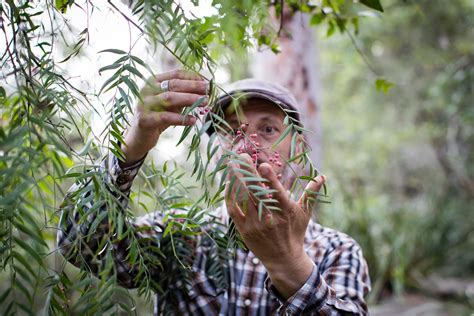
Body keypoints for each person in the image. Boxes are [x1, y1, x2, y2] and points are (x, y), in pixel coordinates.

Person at [57, 69, 371, 315]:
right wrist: (131, 146)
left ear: (298, 146)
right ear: (218, 150)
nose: (249, 144)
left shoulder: (336, 250)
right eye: (234, 130)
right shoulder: (181, 237)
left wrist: (289, 264)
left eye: (268, 129)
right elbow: (80, 242)